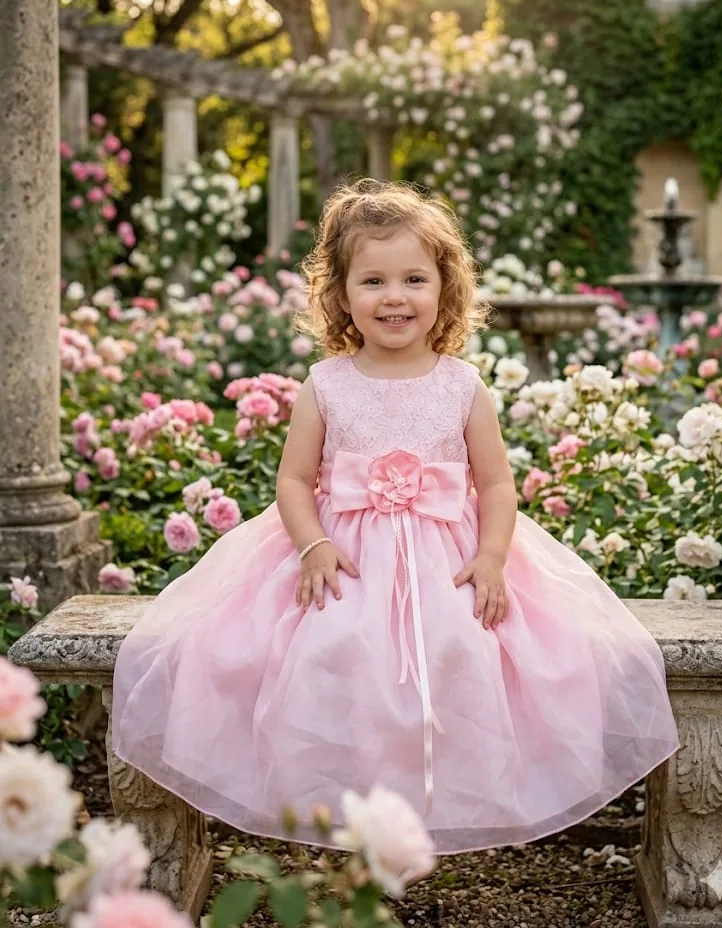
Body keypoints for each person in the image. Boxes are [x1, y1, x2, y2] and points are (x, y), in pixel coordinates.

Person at [112, 180, 678, 852]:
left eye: (414, 278)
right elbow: (293, 480)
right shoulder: (326, 384)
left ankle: (442, 800)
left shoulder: (462, 386)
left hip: (450, 556)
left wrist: (492, 558)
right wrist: (313, 545)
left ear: (445, 288)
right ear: (341, 294)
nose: (394, 297)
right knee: (328, 647)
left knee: (469, 647)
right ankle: (340, 805)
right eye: (373, 280)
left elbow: (496, 486)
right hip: (344, 553)